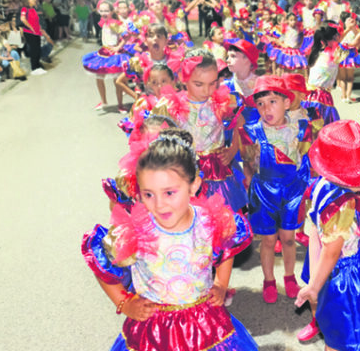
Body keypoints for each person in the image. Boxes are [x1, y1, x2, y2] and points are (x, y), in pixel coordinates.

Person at [81, 129, 258, 350]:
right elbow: (102, 265)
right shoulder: (136, 230)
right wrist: (124, 303)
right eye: (148, 194)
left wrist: (221, 283)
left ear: (193, 185)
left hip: (205, 323)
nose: (159, 204)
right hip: (154, 330)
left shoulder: (209, 220)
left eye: (169, 193)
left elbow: (226, 247)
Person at [295, 119, 360, 351]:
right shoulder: (343, 206)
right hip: (343, 275)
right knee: (349, 339)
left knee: (334, 330)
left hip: (324, 266)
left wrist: (315, 275)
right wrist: (314, 287)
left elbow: (315, 230)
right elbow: (333, 249)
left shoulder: (320, 184)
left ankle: (322, 324)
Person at [239, 76, 316, 304]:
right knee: (269, 240)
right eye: (261, 104)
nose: (266, 109)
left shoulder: (300, 128)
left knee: (289, 239)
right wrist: (249, 176)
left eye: (273, 101)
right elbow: (247, 160)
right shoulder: (252, 130)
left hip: (292, 190)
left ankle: (290, 276)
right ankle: (269, 280)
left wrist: (308, 184)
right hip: (264, 191)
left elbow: (307, 158)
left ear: (286, 102)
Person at [82, 0, 131, 112]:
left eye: (106, 11)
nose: (104, 13)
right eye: (101, 10)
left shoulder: (114, 23)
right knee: (99, 77)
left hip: (114, 55)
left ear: (112, 11)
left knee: (116, 81)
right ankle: (103, 101)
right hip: (103, 53)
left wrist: (118, 47)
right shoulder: (104, 21)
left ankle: (120, 105)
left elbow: (126, 36)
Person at [303, 24, 343, 125]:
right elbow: (352, 44)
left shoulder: (315, 53)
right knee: (323, 129)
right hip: (321, 97)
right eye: (337, 37)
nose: (339, 39)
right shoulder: (333, 54)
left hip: (309, 95)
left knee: (309, 129)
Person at [338, 12, 360, 103]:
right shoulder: (340, 30)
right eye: (348, 20)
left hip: (352, 55)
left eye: (351, 19)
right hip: (342, 55)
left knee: (350, 77)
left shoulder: (355, 29)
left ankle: (348, 96)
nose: (350, 21)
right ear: (343, 22)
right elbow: (338, 41)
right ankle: (343, 95)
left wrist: (353, 28)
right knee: (343, 77)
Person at [20, 0, 46, 75]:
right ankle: (34, 68)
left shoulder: (33, 8)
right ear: (28, 0)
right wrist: (30, 27)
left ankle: (38, 66)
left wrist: (39, 29)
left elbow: (36, 20)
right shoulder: (24, 9)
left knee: (38, 49)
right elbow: (22, 19)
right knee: (34, 50)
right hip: (29, 32)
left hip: (36, 32)